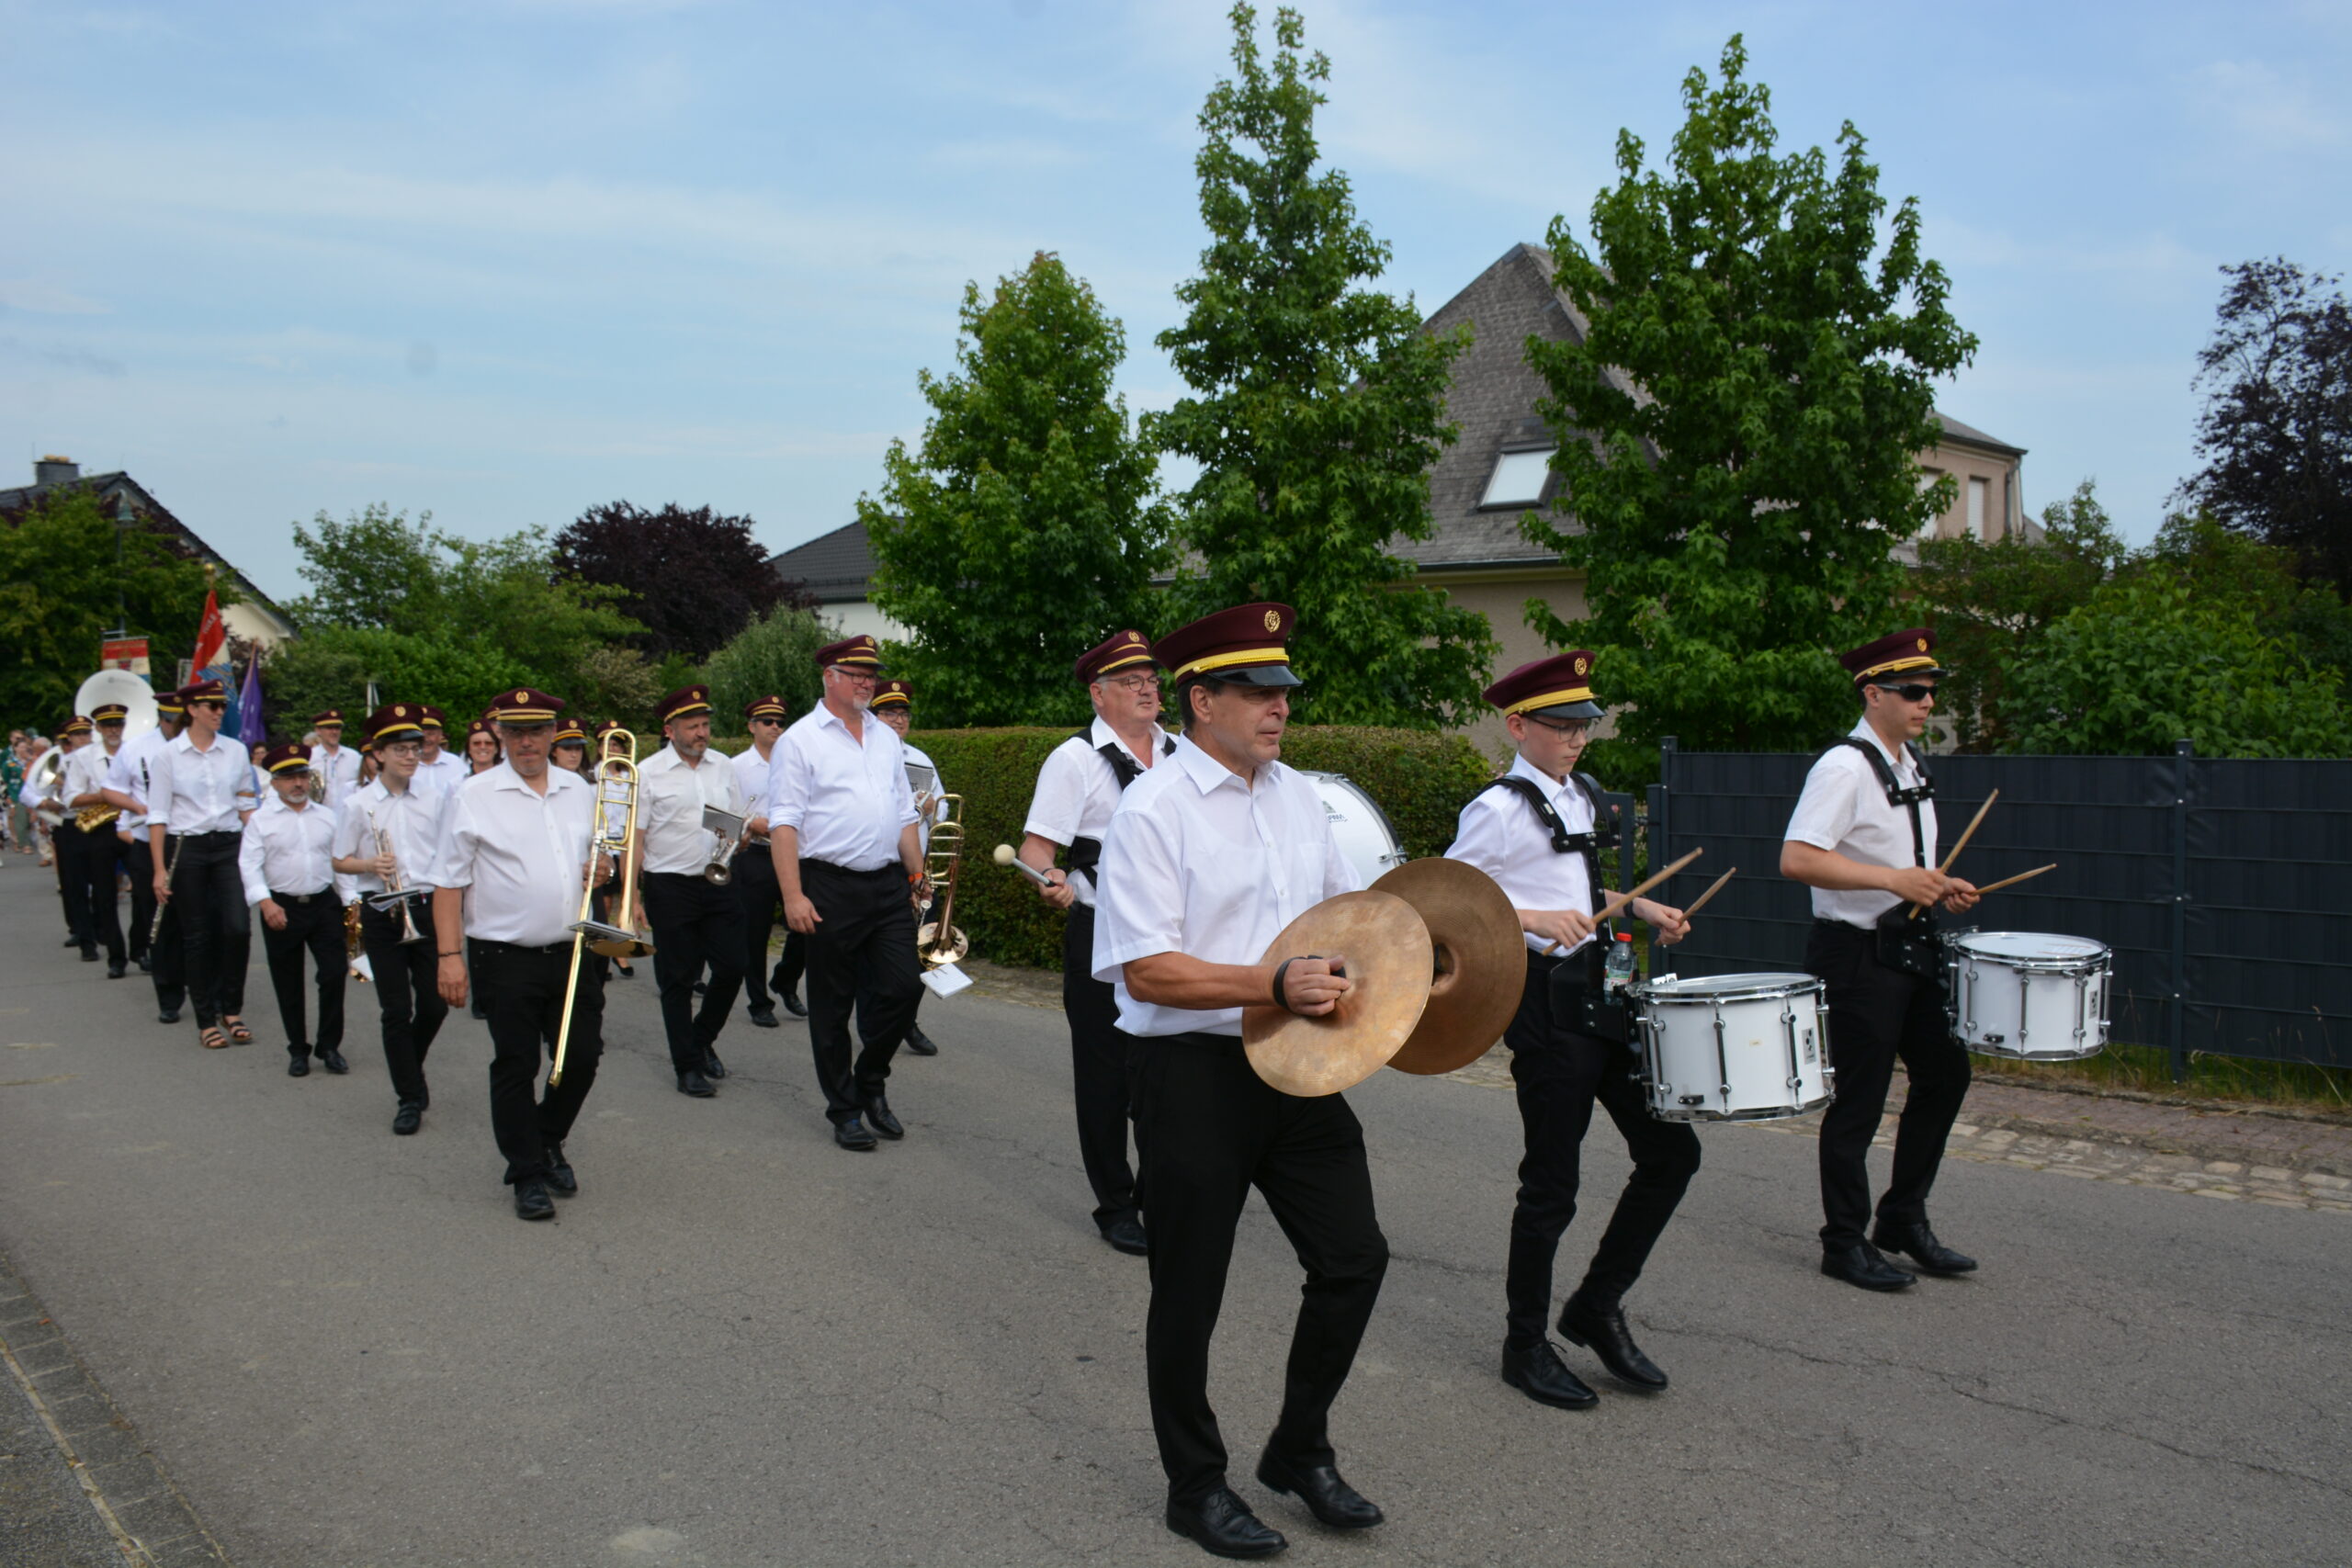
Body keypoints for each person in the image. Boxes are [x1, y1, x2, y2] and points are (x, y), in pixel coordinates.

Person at [1093, 603, 1387, 1559]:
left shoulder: (1299, 795)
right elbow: (1148, 969)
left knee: (1354, 1258)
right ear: (1201, 700)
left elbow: (1343, 922)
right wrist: (1272, 983)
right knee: (1190, 1291)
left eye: (1284, 692)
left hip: (1296, 1061)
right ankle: (1194, 1486)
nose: (1279, 708)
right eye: (1257, 691)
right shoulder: (1153, 808)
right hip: (1190, 1070)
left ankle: (1297, 1449)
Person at [1443, 652, 1697, 1410]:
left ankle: (1595, 1303)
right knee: (1553, 1184)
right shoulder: (1497, 809)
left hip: (1604, 993)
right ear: (1518, 726)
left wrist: (1639, 906)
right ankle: (1524, 1344)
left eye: (1584, 725)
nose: (1577, 738)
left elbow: (1576, 887)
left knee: (1672, 1152)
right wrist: (1529, 918)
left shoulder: (1579, 794)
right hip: (1546, 1006)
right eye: (1561, 726)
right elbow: (1449, 901)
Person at [1781, 628, 1983, 1292]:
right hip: (1856, 953)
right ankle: (1843, 1241)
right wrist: (1896, 880)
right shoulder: (1843, 767)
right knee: (1859, 1102)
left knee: (1945, 1075)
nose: (1928, 701)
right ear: (1873, 693)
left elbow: (1897, 860)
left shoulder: (1908, 762)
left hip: (1909, 944)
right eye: (1914, 691)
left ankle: (1901, 1218)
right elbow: (1798, 858)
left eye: (1931, 691)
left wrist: (1935, 885)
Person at [1016, 629, 1173, 1258]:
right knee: (1107, 1080)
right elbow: (1035, 849)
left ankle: (1162, 1195)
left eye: (1152, 679)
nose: (1148, 690)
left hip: (1171, 934)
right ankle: (1115, 1204)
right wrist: (1047, 879)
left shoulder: (1182, 752)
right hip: (1101, 931)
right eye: (1132, 681)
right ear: (1098, 693)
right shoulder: (1074, 759)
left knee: (1167, 1073)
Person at [429, 687, 607, 1222]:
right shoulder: (473, 794)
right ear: (500, 734)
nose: (526, 742)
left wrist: (602, 870)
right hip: (504, 955)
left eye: (536, 731)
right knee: (516, 1063)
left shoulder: (580, 789)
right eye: (515, 732)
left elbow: (597, 860)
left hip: (574, 949)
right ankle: (526, 1172)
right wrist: (449, 956)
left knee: (581, 1058)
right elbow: (447, 882)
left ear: (553, 733)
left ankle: (546, 1138)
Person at [762, 635, 924, 1152]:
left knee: (906, 986)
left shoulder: (885, 738)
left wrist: (918, 877)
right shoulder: (800, 740)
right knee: (832, 1006)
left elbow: (904, 812)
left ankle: (870, 1079)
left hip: (887, 883)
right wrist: (792, 896)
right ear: (829, 676)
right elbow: (784, 823)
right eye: (856, 673)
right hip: (829, 885)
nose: (866, 682)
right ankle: (845, 1109)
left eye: (870, 674)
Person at [333, 704, 451, 1135]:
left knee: (436, 1004)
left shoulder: (436, 799)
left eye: (415, 748)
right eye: (401, 749)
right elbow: (339, 860)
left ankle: (409, 1065)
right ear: (378, 755)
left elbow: (449, 856)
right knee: (396, 1010)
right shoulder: (357, 804)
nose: (410, 756)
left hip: (425, 906)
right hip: (381, 909)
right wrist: (369, 864)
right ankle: (408, 1098)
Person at [636, 685, 752, 1098]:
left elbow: (735, 819)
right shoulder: (648, 772)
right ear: (670, 730)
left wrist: (740, 837)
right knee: (678, 979)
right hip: (669, 885)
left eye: (705, 725)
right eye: (692, 726)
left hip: (718, 880)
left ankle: (700, 1040)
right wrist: (633, 897)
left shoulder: (723, 765)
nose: (702, 733)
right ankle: (686, 1066)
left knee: (734, 966)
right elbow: (636, 837)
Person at [145, 679, 258, 1050]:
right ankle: (206, 1019)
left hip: (228, 845)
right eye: (212, 706)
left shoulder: (236, 750)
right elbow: (158, 815)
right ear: (192, 710)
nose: (219, 712)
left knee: (238, 928)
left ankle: (232, 1009)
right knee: (197, 936)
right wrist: (159, 870)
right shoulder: (168, 755)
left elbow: (246, 805)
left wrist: (262, 847)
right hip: (187, 847)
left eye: (222, 706)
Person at [240, 741, 352, 1077]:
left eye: (302, 775)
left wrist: (351, 902)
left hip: (323, 903)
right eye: (289, 777)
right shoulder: (261, 820)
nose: (298, 783)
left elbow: (341, 861)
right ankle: (298, 1049)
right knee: (288, 981)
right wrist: (265, 902)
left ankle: (329, 1046)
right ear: (274, 782)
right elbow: (249, 864)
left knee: (334, 973)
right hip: (282, 906)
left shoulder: (327, 817)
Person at [868, 679, 946, 1057]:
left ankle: (905, 1021)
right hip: (882, 868)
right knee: (880, 955)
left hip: (919, 869)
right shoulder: (866, 757)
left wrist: (932, 809)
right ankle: (878, 1022)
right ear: (874, 717)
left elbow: (943, 809)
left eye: (903, 714)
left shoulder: (919, 758)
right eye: (889, 713)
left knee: (921, 952)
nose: (899, 720)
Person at [105, 692, 188, 1010]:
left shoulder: (199, 746)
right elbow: (110, 789)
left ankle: (201, 984)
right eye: (169, 721)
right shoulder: (136, 748)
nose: (174, 727)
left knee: (198, 919)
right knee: (159, 920)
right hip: (148, 840)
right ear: (160, 719)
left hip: (190, 840)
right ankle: (169, 996)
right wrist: (138, 806)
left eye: (179, 721)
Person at [729, 695, 801, 1028]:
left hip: (794, 853)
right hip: (756, 853)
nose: (776, 727)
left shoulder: (794, 761)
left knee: (806, 927)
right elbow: (722, 812)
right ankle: (759, 1001)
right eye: (768, 722)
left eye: (780, 722)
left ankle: (785, 980)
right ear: (752, 727)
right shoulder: (736, 766)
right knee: (754, 934)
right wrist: (749, 822)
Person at [62, 709, 133, 975]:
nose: (114, 729)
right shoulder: (83, 757)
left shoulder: (134, 750)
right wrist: (105, 796)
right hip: (101, 829)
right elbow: (71, 798)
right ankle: (116, 957)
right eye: (107, 725)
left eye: (118, 724)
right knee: (105, 895)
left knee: (146, 891)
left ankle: (141, 948)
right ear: (99, 729)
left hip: (133, 825)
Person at [309, 710, 361, 806]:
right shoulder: (310, 757)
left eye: (337, 728)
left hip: (349, 813)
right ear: (318, 731)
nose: (334, 732)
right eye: (329, 728)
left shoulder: (354, 757)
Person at [414, 706, 468, 795]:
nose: (426, 739)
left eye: (431, 734)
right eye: (420, 734)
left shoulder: (456, 764)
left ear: (440, 735)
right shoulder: (405, 765)